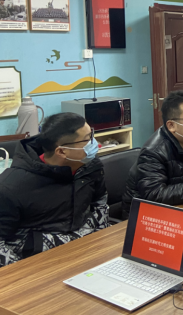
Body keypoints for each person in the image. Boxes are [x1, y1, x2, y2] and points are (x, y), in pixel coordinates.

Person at [0, 113, 108, 267]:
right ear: (62, 151)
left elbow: (100, 201)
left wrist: (102, 244)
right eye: (87, 139)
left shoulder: (90, 167)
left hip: (87, 249)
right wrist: (24, 274)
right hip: (41, 261)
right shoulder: (10, 187)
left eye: (92, 134)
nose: (95, 143)